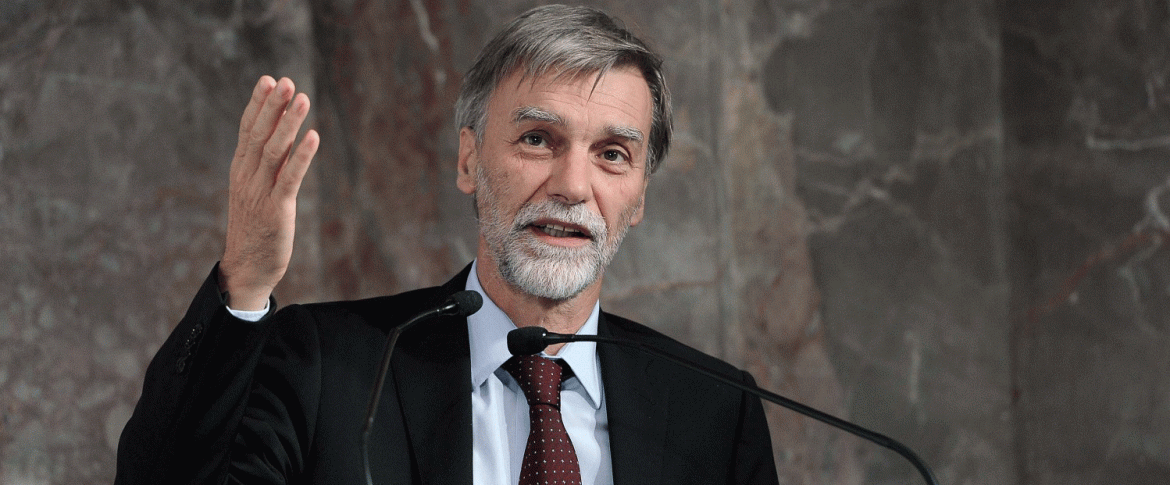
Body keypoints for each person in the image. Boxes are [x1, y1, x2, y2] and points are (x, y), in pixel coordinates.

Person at [115, 5, 778, 485]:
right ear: (469, 160)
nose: (573, 186)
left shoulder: (715, 411)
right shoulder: (327, 365)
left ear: (639, 197)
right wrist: (245, 280)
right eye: (537, 139)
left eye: (611, 153)